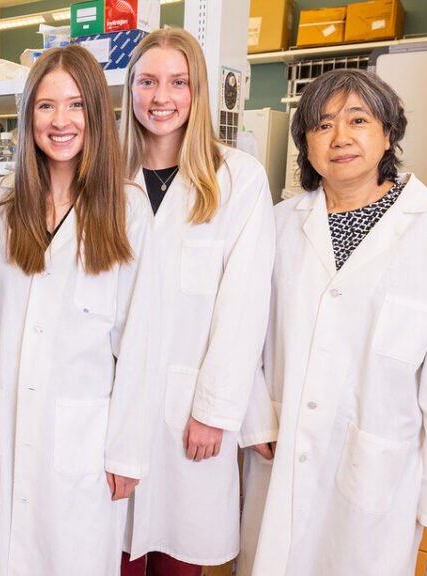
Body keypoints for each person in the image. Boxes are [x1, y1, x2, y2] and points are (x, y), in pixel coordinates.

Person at [240, 68, 427, 575]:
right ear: (305, 144)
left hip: (378, 475)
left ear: (388, 132)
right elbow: (243, 334)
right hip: (280, 453)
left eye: (358, 120)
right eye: (323, 125)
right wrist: (254, 413)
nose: (341, 137)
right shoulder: (280, 224)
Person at [0, 44, 155, 576]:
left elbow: (143, 339)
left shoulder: (127, 208)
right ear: (28, 113)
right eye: (46, 106)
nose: (61, 121)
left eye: (76, 105)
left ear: (97, 115)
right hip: (2, 425)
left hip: (83, 440)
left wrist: (126, 452)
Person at [116, 28, 275, 576]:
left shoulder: (238, 179)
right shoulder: (105, 178)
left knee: (179, 557)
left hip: (191, 413)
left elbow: (245, 306)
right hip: (115, 406)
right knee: (112, 552)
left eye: (178, 82)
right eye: (148, 81)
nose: (162, 97)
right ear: (129, 90)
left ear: (198, 91)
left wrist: (213, 410)